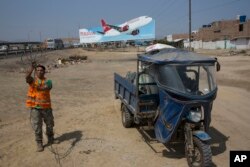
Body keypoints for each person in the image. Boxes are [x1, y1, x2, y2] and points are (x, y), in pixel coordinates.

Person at [26, 63, 59, 152]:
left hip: (47, 107)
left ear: (44, 72)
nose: (40, 72)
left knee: (50, 124)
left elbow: (46, 87)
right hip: (35, 108)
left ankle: (51, 138)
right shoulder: (32, 81)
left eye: (41, 70)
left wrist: (38, 87)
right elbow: (27, 78)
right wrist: (31, 68)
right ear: (36, 72)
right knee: (37, 126)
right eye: (38, 70)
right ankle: (39, 143)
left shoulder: (48, 81)